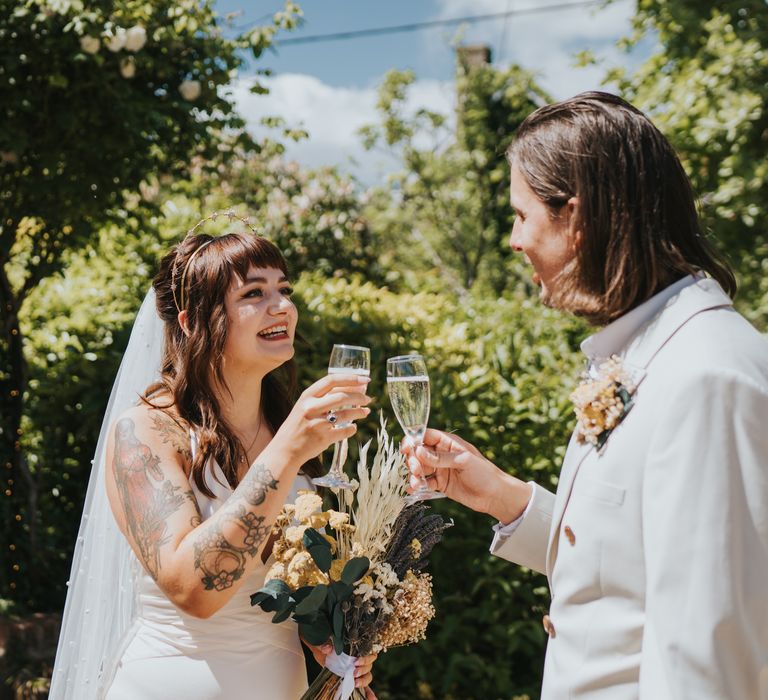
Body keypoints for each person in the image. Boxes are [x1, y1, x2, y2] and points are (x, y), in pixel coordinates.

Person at [404, 92, 768, 699]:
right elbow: (633, 565)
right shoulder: (647, 352)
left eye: (521, 216)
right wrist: (505, 499)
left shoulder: (706, 377)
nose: (514, 241)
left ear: (575, 220)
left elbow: (708, 656)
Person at [50, 215, 378, 699]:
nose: (282, 306)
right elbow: (194, 589)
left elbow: (288, 583)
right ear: (192, 321)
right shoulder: (146, 432)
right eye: (254, 294)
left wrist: (331, 641)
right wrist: (287, 448)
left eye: (284, 291)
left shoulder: (287, 425)